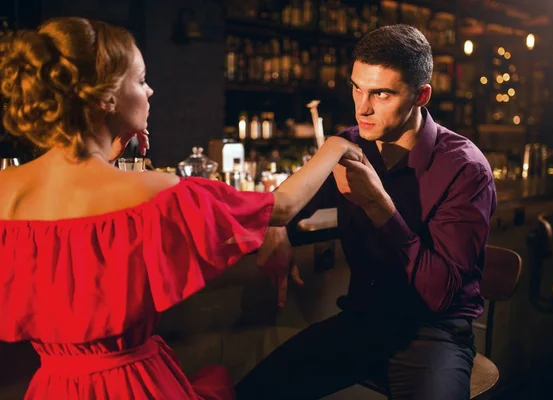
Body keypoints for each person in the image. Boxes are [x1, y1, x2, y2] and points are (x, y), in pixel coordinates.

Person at [0, 17, 362, 399]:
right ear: (106, 98)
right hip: (134, 385)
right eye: (140, 81)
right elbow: (282, 206)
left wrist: (104, 156)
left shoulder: (7, 191)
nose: (151, 91)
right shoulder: (153, 193)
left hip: (52, 385)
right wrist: (334, 146)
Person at [237, 24, 497, 400]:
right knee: (250, 393)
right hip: (361, 323)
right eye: (357, 87)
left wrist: (380, 207)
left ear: (421, 95)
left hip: (433, 335)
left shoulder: (464, 169)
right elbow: (288, 203)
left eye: (382, 93)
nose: (363, 107)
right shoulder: (352, 143)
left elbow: (439, 295)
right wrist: (279, 231)